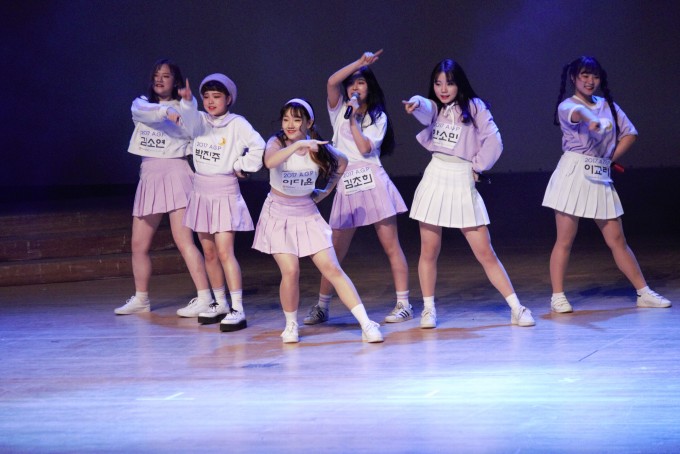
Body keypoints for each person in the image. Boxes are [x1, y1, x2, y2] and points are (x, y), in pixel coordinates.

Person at [403, 58, 535, 328]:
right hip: (435, 176)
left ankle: (516, 307)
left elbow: (494, 140)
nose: (443, 89)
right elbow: (424, 107)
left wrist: (478, 167)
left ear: (459, 84)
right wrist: (416, 101)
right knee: (429, 250)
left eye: (449, 83)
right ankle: (428, 309)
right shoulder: (435, 108)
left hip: (462, 178)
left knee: (485, 251)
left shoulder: (475, 106)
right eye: (438, 83)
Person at [543, 56, 671, 312]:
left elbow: (630, 133)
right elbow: (581, 113)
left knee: (617, 238)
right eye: (584, 76)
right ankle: (557, 296)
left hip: (600, 173)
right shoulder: (568, 105)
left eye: (595, 76)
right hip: (573, 173)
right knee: (565, 238)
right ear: (574, 78)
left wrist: (610, 158)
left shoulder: (608, 105)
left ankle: (643, 292)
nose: (590, 81)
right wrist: (592, 120)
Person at [253, 99, 383, 343]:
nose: (290, 124)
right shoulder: (276, 143)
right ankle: (291, 325)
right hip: (277, 214)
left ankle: (366, 324)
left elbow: (342, 162)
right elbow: (270, 162)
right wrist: (299, 144)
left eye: (297, 119)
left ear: (309, 122)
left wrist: (325, 191)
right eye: (286, 119)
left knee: (332, 269)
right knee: (290, 270)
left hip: (306, 213)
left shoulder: (319, 147)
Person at [303, 50, 411, 326]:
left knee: (391, 246)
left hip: (373, 180)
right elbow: (331, 81)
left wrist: (353, 121)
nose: (354, 87)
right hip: (347, 183)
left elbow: (364, 148)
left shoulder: (377, 117)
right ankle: (322, 306)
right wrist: (359, 63)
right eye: (351, 83)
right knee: (334, 251)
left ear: (369, 87)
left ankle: (404, 304)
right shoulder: (339, 109)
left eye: (361, 82)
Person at [115, 59, 213, 316]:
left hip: (176, 173)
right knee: (138, 244)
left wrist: (188, 104)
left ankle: (205, 297)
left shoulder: (185, 108)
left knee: (184, 241)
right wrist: (167, 112)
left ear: (175, 81)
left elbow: (194, 127)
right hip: (150, 175)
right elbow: (144, 112)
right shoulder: (141, 104)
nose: (159, 79)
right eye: (156, 75)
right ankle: (141, 298)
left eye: (166, 76)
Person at [177, 73, 266, 331]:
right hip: (201, 191)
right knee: (209, 251)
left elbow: (259, 146)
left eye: (216, 96)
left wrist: (241, 165)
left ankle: (238, 308)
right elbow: (188, 122)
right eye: (206, 97)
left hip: (224, 191)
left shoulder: (238, 124)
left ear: (228, 98)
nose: (211, 101)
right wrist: (188, 101)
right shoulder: (199, 120)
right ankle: (220, 303)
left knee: (225, 251)